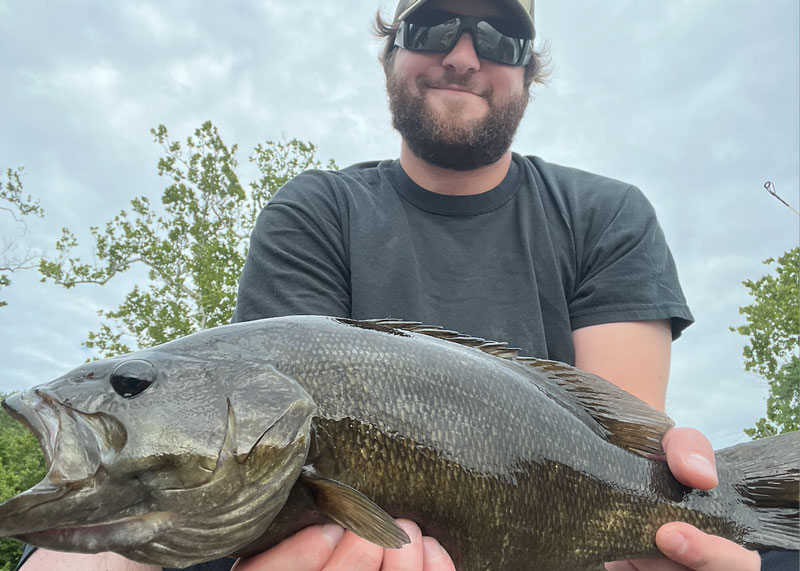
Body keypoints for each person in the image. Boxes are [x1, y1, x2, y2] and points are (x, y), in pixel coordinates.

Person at [15, 1, 796, 570]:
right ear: (391, 52)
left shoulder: (606, 216)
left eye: (500, 34)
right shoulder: (315, 210)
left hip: (569, 546)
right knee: (61, 564)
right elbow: (263, 487)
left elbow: (629, 448)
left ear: (531, 67)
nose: (464, 53)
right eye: (430, 26)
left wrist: (673, 523)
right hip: (301, 531)